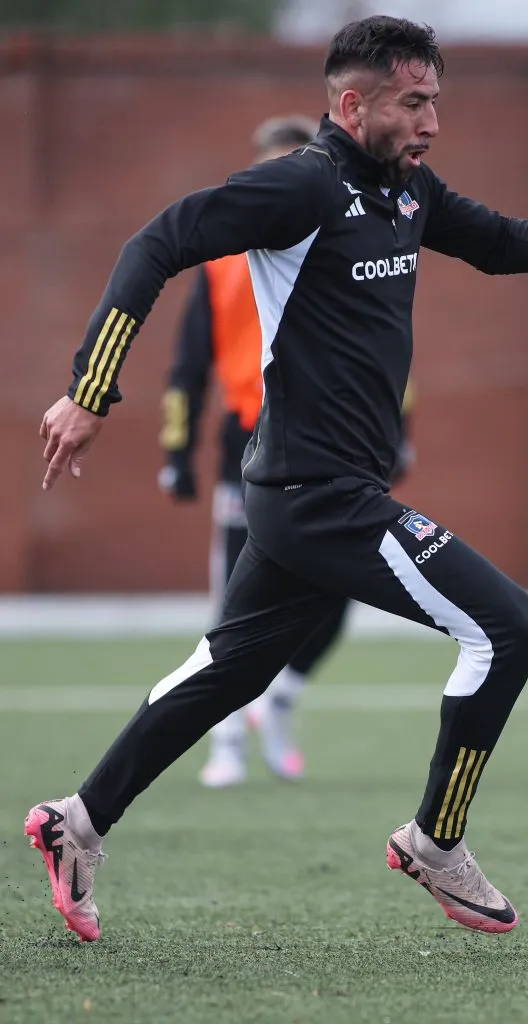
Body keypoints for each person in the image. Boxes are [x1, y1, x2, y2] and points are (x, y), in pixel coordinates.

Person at [28, 15, 528, 942]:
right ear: (351, 103)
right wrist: (92, 390)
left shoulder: (406, 192)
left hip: (310, 496)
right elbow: (155, 242)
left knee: (227, 671)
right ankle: (435, 842)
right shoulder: (299, 185)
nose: (432, 123)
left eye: (436, 103)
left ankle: (75, 823)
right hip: (316, 494)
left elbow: (497, 241)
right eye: (414, 103)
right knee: (505, 625)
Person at [158, 114, 415, 787]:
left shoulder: (340, 238)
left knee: (339, 587)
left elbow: (383, 348)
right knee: (235, 601)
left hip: (334, 438)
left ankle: (280, 696)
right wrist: (178, 450)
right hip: (251, 440)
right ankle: (224, 746)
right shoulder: (220, 260)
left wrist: (402, 431)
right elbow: (188, 364)